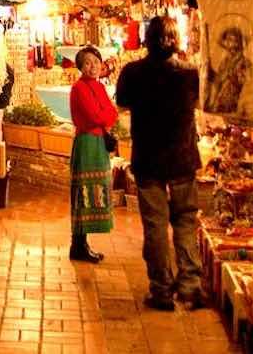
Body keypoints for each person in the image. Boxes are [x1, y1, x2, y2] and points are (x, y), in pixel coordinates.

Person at [116, 16, 203, 311]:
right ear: (175, 40)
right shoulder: (189, 74)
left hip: (148, 158)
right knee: (185, 222)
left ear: (147, 39)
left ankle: (162, 289)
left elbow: (122, 104)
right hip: (183, 158)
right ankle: (190, 285)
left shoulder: (132, 72)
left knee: (155, 226)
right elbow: (199, 103)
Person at [68, 46, 117, 263]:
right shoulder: (79, 88)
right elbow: (96, 116)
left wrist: (105, 116)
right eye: (87, 62)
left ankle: (82, 245)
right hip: (87, 143)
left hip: (98, 144)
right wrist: (105, 116)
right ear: (80, 66)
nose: (93, 66)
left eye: (96, 61)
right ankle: (78, 245)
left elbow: (111, 113)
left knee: (95, 191)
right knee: (84, 193)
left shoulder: (99, 86)